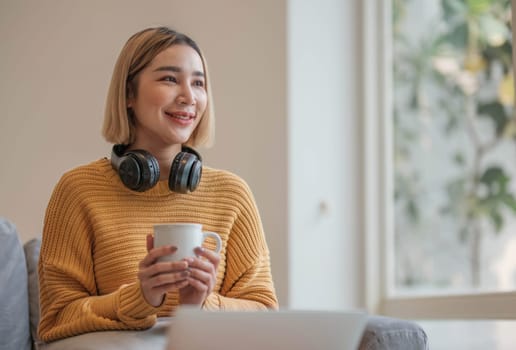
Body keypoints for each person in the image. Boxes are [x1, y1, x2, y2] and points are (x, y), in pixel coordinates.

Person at [37, 26, 278, 343]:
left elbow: (264, 309)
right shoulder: (78, 190)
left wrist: (202, 306)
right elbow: (56, 319)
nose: (189, 97)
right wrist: (140, 298)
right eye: (169, 79)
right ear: (128, 95)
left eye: (198, 83)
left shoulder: (232, 193)